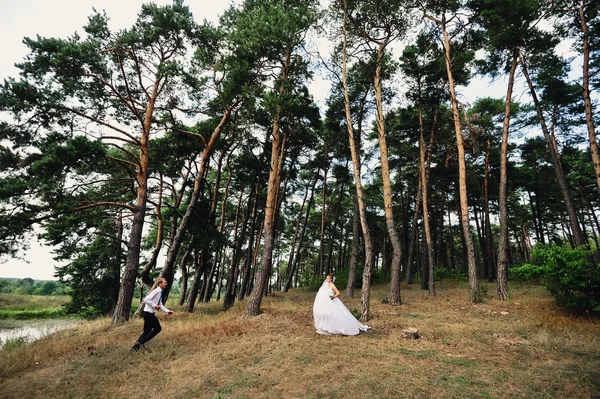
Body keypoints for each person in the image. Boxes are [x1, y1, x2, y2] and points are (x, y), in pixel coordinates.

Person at [131, 277, 174, 351]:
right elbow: (146, 299)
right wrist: (154, 305)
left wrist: (167, 311)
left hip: (150, 314)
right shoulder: (157, 291)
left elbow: (160, 304)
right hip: (148, 314)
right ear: (160, 284)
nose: (166, 284)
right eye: (164, 283)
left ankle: (138, 345)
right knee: (156, 329)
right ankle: (139, 344)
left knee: (148, 331)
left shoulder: (159, 292)